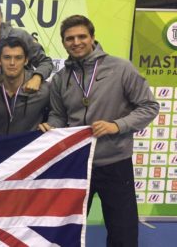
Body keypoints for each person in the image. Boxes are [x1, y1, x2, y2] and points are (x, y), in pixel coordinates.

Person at [38, 15, 159, 246]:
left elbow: (149, 106)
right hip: (77, 165)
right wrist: (51, 128)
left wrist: (117, 125)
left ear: (92, 37)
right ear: (63, 43)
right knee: (67, 230)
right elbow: (58, 114)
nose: (76, 42)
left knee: (122, 233)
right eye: (69, 38)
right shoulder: (61, 78)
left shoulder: (121, 68)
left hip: (115, 163)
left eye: (82, 36)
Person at [0, 0, 53, 91]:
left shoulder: (20, 36)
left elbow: (46, 62)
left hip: (26, 92)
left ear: (1, 17)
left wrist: (37, 77)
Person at [0, 37, 49, 136]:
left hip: (30, 148)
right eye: (7, 57)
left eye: (18, 58)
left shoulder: (43, 90)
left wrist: (51, 124)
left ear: (26, 60)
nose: (12, 63)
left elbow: (59, 114)